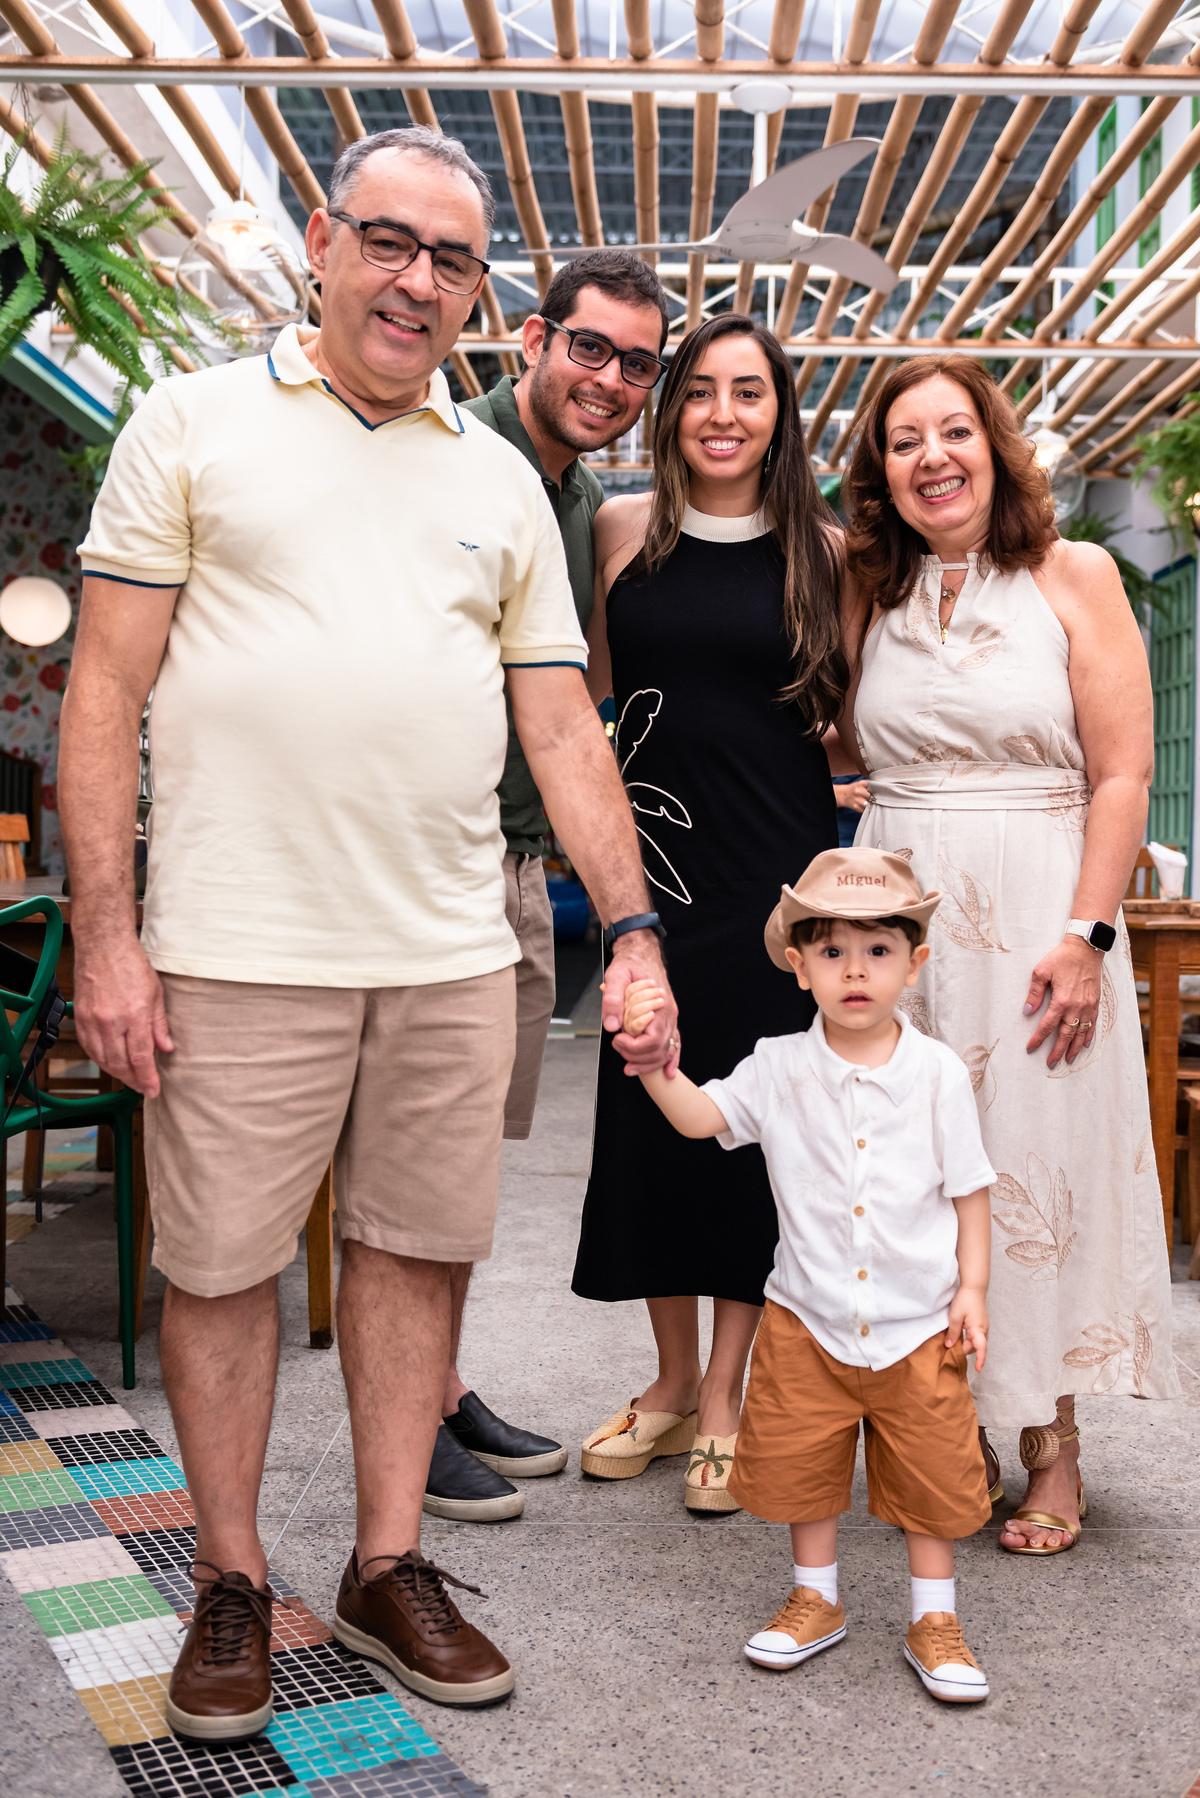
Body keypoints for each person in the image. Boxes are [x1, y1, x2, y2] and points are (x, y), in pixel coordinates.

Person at [59, 125, 677, 1735]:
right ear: (323, 244)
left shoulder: (499, 481)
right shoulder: (191, 419)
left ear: (480, 296)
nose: (416, 280)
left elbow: (562, 724)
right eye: (389, 242)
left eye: (451, 259)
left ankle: (389, 1561)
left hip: (450, 948)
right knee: (220, 1267)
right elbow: (103, 691)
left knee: (418, 1252)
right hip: (237, 941)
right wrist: (109, 938)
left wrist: (631, 929)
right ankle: (231, 1577)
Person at [841, 354, 1177, 1557]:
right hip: (903, 921)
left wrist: (1086, 937)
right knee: (911, 1176)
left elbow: (1122, 772)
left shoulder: (1075, 574)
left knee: (1036, 1167)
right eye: (904, 441)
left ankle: (1051, 1440)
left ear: (995, 446)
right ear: (879, 472)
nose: (932, 457)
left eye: (954, 432)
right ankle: (951, 1432)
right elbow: (828, 736)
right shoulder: (864, 588)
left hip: (1042, 914)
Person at [572, 314, 846, 1514]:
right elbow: (586, 693)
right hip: (652, 878)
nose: (723, 414)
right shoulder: (622, 528)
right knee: (648, 1108)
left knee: (750, 1129)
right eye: (700, 391)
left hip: (775, 879)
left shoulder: (826, 551)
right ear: (672, 407)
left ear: (781, 416)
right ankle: (672, 1378)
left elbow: (847, 718)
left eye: (750, 392)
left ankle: (728, 1394)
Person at [624, 848, 996, 1704]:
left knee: (931, 1478)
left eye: (878, 951)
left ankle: (934, 1617)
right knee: (804, 1469)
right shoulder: (777, 1065)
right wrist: (655, 1066)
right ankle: (815, 1599)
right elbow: (702, 1118)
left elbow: (970, 1190)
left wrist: (972, 1289)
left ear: (914, 963)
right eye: (832, 951)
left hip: (919, 1325)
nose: (855, 971)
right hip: (806, 1320)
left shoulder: (937, 1073)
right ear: (799, 966)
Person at [423, 249, 672, 1525]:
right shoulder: (449, 450)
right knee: (418, 1161)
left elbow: (580, 704)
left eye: (639, 364)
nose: (612, 379)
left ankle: (439, 1384)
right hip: (439, 859)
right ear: (533, 336)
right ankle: (407, 1417)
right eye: (591, 347)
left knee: (467, 1161)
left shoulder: (578, 497)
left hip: (520, 864)